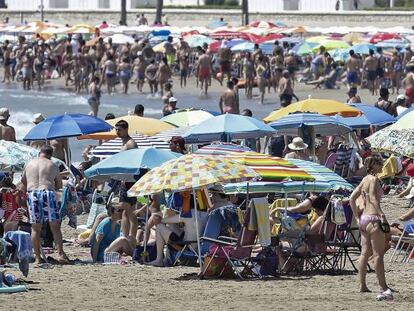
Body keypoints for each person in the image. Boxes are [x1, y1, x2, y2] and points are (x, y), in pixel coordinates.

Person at [349, 154, 393, 300]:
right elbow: (373, 198)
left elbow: (352, 198)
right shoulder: (373, 179)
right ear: (373, 165)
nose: (382, 166)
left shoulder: (364, 179)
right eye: (380, 164)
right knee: (378, 255)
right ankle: (383, 287)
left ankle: (362, 285)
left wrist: (356, 216)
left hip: (364, 219)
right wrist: (382, 215)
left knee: (364, 253)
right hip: (374, 219)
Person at [20, 145, 68, 264]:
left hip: (33, 194)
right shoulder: (53, 165)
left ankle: (37, 258)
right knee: (55, 227)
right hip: (47, 193)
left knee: (35, 228)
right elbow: (58, 186)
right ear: (50, 155)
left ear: (39, 153)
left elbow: (24, 182)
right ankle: (61, 255)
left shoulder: (29, 164)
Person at [114, 120, 138, 243]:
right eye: (116, 129)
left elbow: (135, 161)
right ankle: (127, 237)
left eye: (119, 129)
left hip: (130, 180)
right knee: (126, 212)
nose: (117, 132)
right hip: (125, 179)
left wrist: (128, 178)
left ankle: (130, 238)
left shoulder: (131, 143)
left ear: (126, 129)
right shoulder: (124, 143)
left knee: (127, 210)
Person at [91, 197, 122, 262]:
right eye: (119, 211)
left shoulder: (117, 225)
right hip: (101, 253)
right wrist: (94, 260)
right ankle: (136, 256)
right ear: (112, 212)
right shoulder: (106, 223)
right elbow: (96, 242)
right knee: (122, 240)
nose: (121, 213)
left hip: (110, 253)